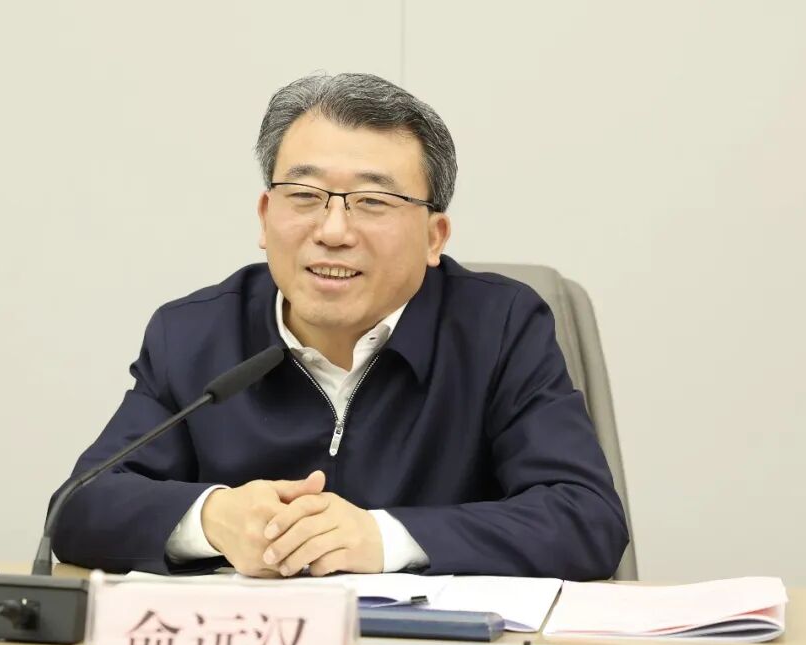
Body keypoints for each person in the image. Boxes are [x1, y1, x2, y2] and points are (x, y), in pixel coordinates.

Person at [50, 73, 629, 580]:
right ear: (265, 217)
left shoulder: (499, 328)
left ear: (434, 236)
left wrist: (382, 538)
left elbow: (586, 518)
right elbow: (79, 506)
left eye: (372, 202)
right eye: (304, 196)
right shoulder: (195, 333)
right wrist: (212, 519)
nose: (332, 231)